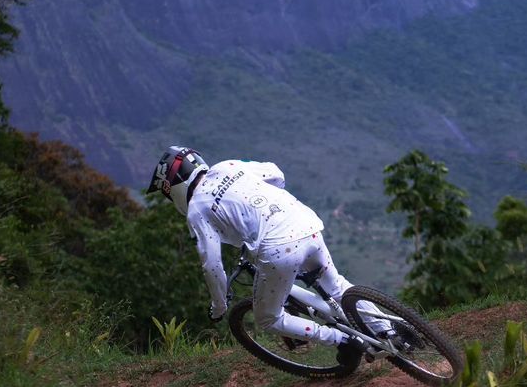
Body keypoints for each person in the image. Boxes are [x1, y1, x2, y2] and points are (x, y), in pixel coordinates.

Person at [148, 146, 392, 364]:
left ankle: (342, 341)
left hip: (279, 248)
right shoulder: (227, 167)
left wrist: (220, 306)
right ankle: (389, 331)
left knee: (268, 318)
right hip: (305, 222)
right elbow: (275, 172)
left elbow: (212, 265)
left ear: (174, 187)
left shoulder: (196, 209)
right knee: (337, 287)